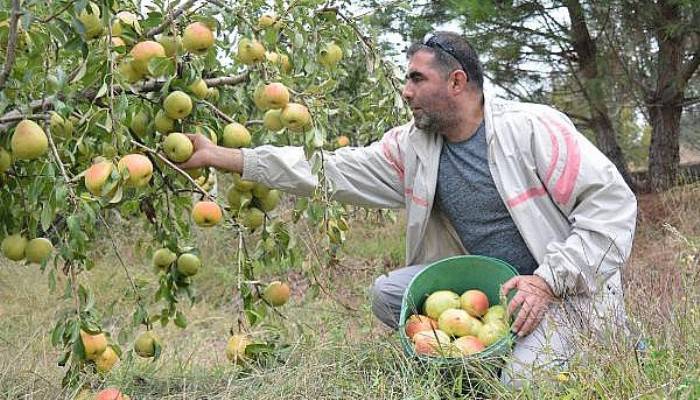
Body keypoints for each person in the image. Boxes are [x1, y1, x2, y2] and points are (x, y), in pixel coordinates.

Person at [178, 31, 637, 387]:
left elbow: (611, 208)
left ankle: (586, 347)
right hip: (484, 293)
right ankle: (473, 361)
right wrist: (229, 158)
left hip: (560, 293)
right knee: (389, 295)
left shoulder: (533, 131)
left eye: (417, 78)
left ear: (457, 82)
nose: (405, 90)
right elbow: (330, 172)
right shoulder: (414, 147)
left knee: (522, 383)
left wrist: (547, 281)